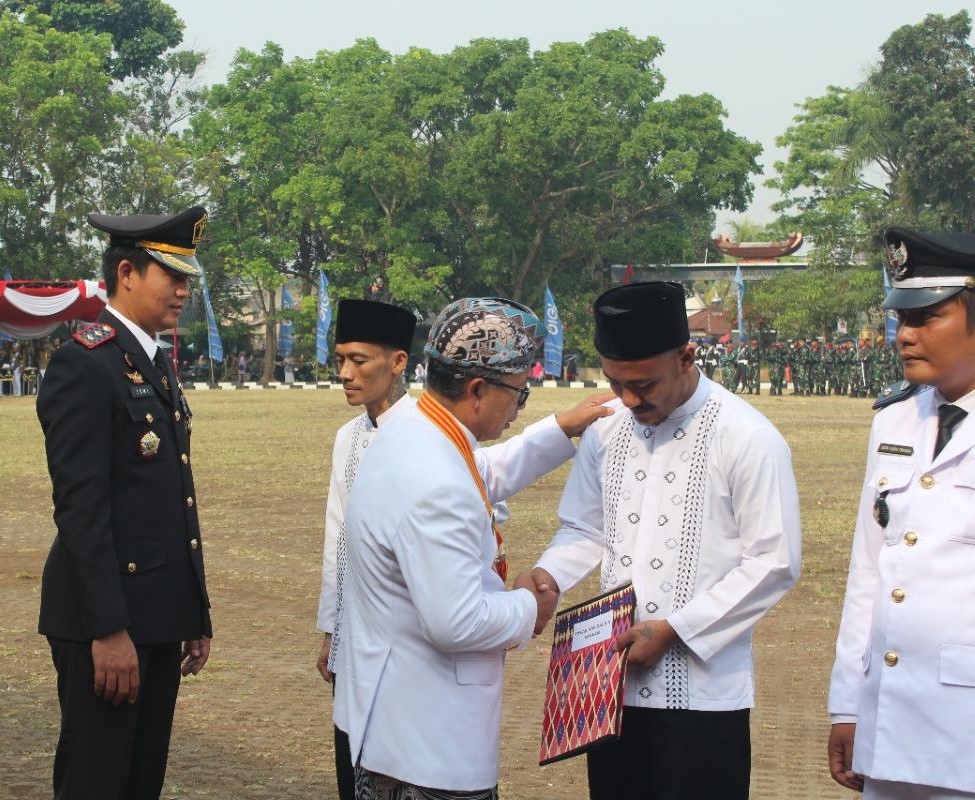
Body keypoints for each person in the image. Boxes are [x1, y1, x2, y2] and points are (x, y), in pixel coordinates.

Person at [529, 281, 802, 800]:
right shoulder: (607, 430)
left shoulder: (746, 436)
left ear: (686, 356)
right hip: (610, 692)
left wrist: (676, 628)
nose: (630, 400)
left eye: (645, 385)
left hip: (703, 696)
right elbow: (584, 528)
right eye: (616, 384)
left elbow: (774, 560)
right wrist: (549, 575)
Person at [333, 297, 613, 800]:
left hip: (398, 723)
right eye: (520, 395)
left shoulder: (415, 432)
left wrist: (562, 427)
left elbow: (483, 472)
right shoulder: (437, 475)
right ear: (478, 389)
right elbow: (456, 622)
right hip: (429, 742)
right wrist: (533, 604)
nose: (518, 408)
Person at [35, 206, 212, 800]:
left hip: (157, 616)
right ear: (128, 273)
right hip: (105, 624)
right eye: (171, 275)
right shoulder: (85, 364)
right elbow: (82, 511)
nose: (183, 289)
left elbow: (170, 500)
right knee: (97, 781)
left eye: (187, 277)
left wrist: (192, 612)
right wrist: (108, 630)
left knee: (140, 783)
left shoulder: (153, 361)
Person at [828, 228, 975, 800]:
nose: (906, 335)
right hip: (891, 713)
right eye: (903, 318)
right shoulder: (895, 421)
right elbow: (870, 569)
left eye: (928, 317)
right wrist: (848, 701)